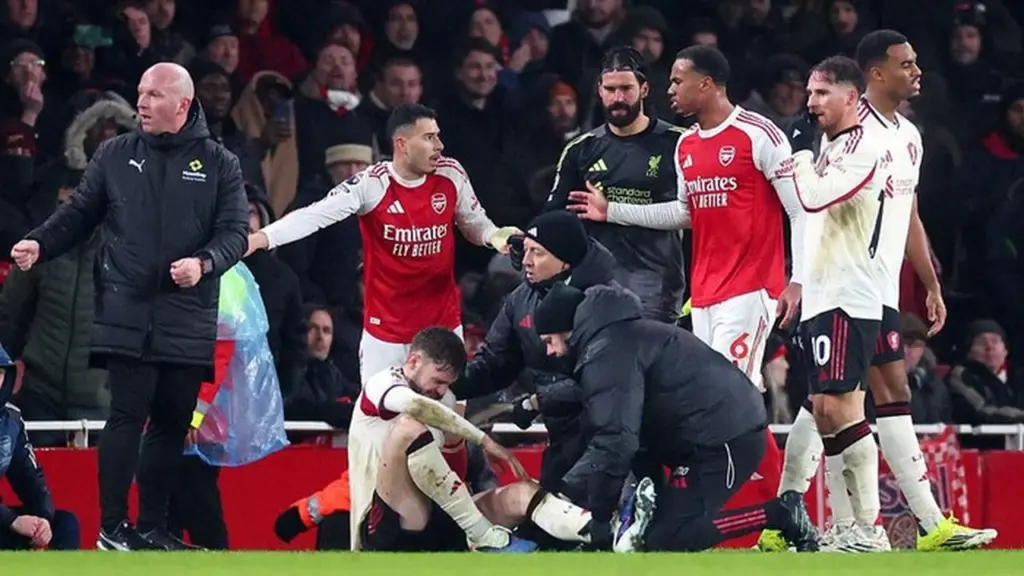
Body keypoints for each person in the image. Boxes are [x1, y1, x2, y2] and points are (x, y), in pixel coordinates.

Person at [762, 30, 997, 553]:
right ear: (875, 74)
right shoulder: (846, 131)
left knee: (876, 399)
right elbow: (810, 208)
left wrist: (929, 280)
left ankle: (924, 525)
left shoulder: (908, 136)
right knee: (830, 403)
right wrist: (799, 277)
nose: (917, 72)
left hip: (878, 291)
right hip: (837, 286)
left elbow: (907, 211)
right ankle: (840, 526)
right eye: (906, 64)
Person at [9, 62, 249, 551]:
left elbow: (235, 234)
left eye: (154, 95)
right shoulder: (115, 155)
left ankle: (152, 528)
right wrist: (39, 244)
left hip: (188, 312)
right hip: (126, 311)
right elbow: (77, 215)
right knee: (126, 415)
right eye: (140, 92)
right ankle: (112, 527)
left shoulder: (220, 163)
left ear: (182, 105)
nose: (141, 102)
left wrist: (204, 263)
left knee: (171, 424)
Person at [570, 43, 805, 509]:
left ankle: (768, 509)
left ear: (707, 83)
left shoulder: (760, 135)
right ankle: (778, 509)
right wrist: (611, 209)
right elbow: (684, 213)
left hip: (753, 287)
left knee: (730, 403)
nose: (670, 90)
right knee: (722, 404)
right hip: (704, 295)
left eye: (678, 81)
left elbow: (799, 207)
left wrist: (797, 280)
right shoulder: (687, 146)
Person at [531, 283, 818, 553]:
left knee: (671, 536)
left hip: (726, 438)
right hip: (702, 437)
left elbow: (615, 439)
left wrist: (593, 514)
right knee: (655, 533)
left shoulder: (607, 353)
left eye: (550, 341)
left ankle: (780, 513)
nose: (550, 351)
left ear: (568, 330)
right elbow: (607, 412)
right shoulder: (615, 339)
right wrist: (536, 403)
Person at [246, 104, 519, 384]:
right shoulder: (372, 184)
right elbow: (314, 215)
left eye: (438, 136)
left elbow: (473, 221)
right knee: (381, 422)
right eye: (428, 138)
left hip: (442, 324)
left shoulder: (450, 174)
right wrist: (262, 237)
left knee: (446, 416)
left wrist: (494, 235)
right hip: (385, 333)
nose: (439, 145)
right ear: (402, 144)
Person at [349, 327, 598, 552]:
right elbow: (415, 406)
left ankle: (606, 532)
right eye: (438, 380)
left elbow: (446, 475)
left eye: (448, 385)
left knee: (522, 493)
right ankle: (482, 533)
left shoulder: (444, 402)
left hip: (438, 517)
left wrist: (460, 444)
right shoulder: (381, 385)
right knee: (409, 428)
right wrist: (484, 441)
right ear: (414, 361)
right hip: (387, 524)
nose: (441, 391)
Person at [778, 55, 890, 552]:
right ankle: (849, 527)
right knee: (824, 409)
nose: (810, 102)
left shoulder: (866, 145)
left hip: (850, 293)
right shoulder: (831, 143)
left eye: (822, 93)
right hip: (823, 292)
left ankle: (869, 528)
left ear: (852, 96)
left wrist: (799, 153)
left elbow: (814, 197)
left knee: (843, 407)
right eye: (809, 92)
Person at [544, 46, 686, 324]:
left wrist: (611, 209)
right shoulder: (580, 150)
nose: (618, 98)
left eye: (626, 88)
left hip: (657, 287)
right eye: (610, 89)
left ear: (644, 89)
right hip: (596, 285)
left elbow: (692, 213)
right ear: (599, 89)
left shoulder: (678, 143)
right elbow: (554, 216)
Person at [0, 344, 81, 550]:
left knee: (64, 524)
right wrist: (11, 521)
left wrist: (42, 518)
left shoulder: (10, 420)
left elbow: (30, 478)